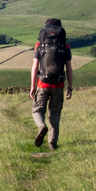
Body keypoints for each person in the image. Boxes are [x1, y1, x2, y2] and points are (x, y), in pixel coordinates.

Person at [30, 18, 73, 149]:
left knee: (37, 111)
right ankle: (52, 142)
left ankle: (42, 126)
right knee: (55, 113)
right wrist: (70, 87)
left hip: (42, 84)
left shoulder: (39, 45)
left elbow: (35, 67)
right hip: (59, 85)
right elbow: (69, 69)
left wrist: (32, 86)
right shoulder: (65, 47)